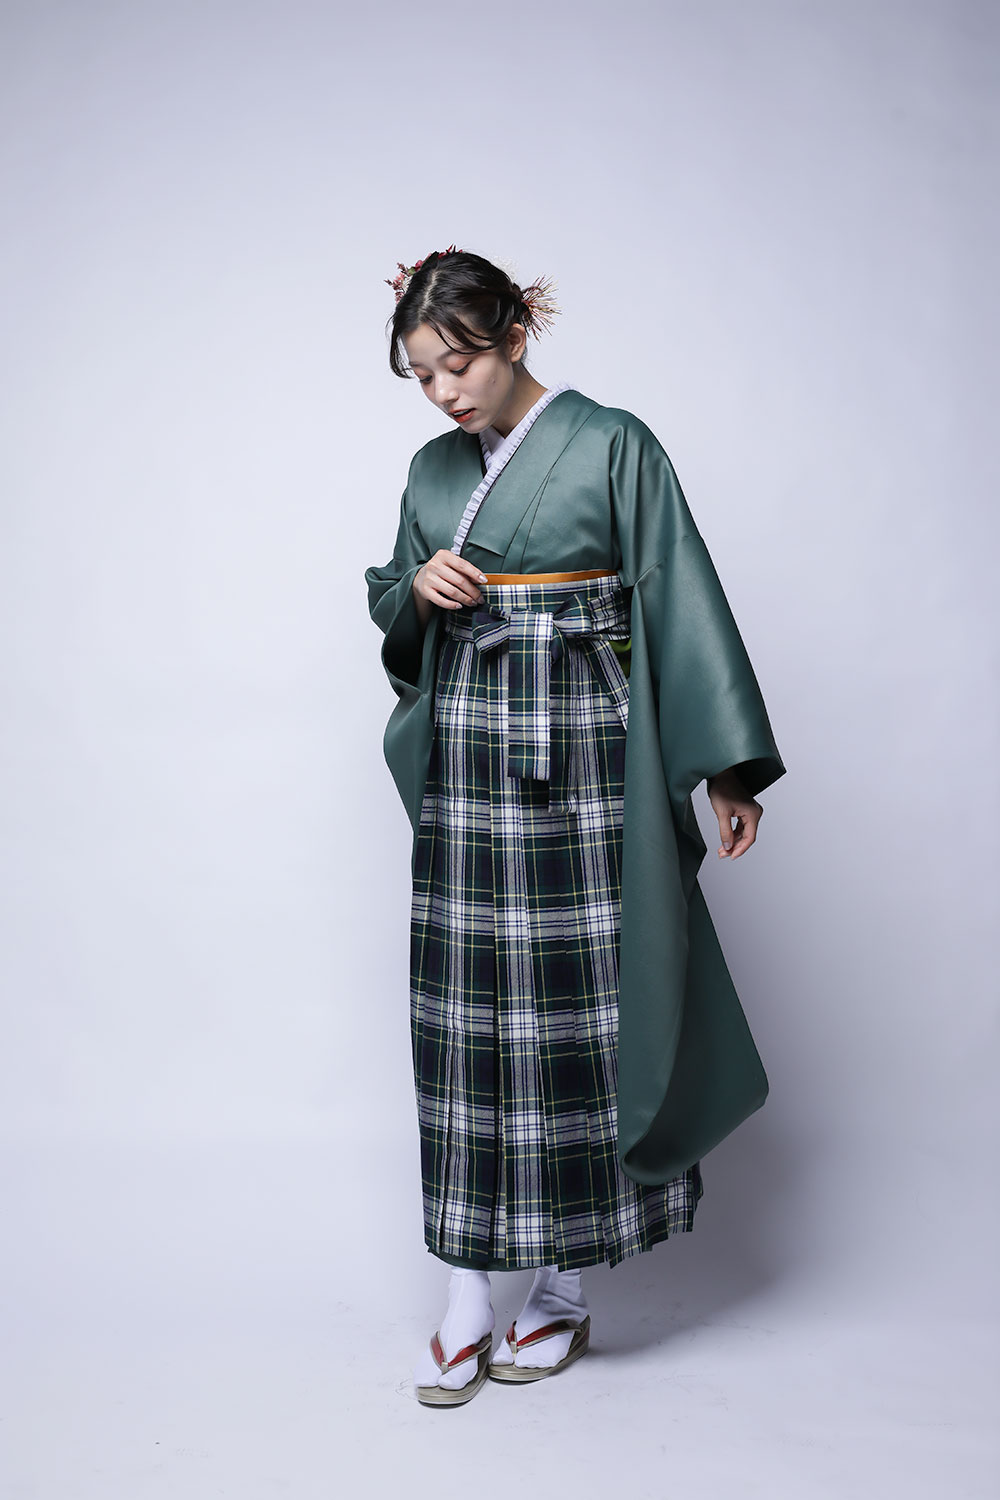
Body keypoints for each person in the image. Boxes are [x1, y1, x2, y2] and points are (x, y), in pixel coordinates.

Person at [365, 246, 786, 1407]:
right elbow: (392, 591)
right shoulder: (429, 470)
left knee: (578, 1015)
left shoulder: (613, 445)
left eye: (457, 362)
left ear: (513, 335)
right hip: (467, 756)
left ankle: (558, 1288)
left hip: (584, 755)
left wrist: (726, 769)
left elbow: (678, 592)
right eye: (421, 374)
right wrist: (419, 591)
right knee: (462, 1017)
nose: (443, 391)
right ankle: (464, 1291)